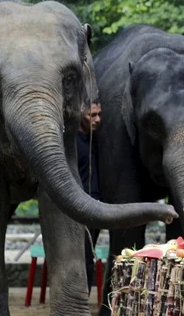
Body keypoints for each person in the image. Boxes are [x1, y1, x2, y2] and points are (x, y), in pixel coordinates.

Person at [77, 98, 102, 293]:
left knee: (88, 255)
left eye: (99, 115)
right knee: (83, 258)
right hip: (78, 206)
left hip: (95, 205)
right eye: (92, 115)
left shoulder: (96, 139)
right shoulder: (72, 143)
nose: (97, 119)